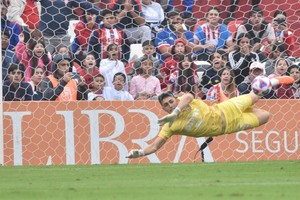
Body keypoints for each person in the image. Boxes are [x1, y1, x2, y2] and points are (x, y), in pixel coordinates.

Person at [126, 75, 294, 158]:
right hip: (229, 126)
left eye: (171, 102)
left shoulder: (184, 100)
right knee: (266, 115)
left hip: (227, 108)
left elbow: (187, 97)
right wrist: (139, 153)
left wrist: (176, 112)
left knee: (256, 96)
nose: (171, 105)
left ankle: (270, 81)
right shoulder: (170, 126)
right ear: (163, 109)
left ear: (174, 99)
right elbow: (154, 147)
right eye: (167, 106)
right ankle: (262, 84)